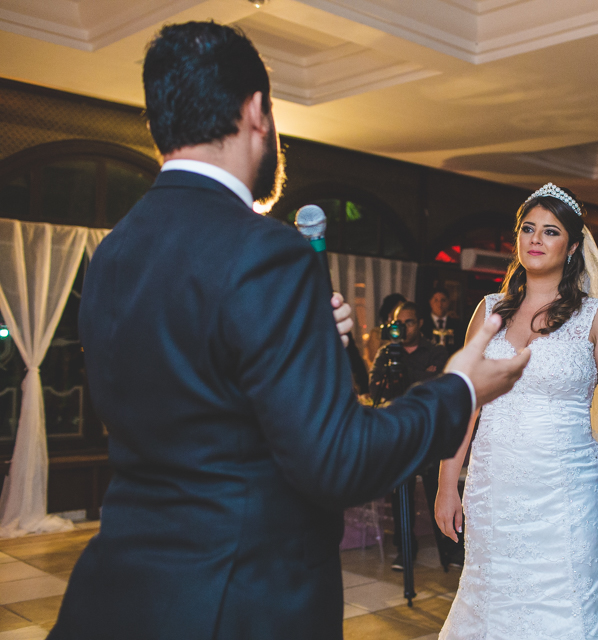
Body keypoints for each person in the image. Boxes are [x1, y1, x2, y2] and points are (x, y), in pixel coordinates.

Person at [48, 21, 529, 640]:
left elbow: (196, 396)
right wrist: (461, 387)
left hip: (119, 594)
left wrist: (312, 341)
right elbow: (338, 460)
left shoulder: (115, 251)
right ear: (257, 112)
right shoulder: (265, 252)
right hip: (240, 602)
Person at [435, 184, 598, 638]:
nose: (536, 239)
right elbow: (464, 406)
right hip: (493, 489)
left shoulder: (597, 318)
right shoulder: (488, 313)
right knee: (491, 598)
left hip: (570, 495)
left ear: (573, 246)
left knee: (568, 606)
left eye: (551, 231)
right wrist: (447, 484)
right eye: (528, 228)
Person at [369, 301, 464, 570]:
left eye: (409, 322)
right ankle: (405, 551)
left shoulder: (435, 351)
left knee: (438, 490)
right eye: (399, 323)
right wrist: (420, 379)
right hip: (398, 436)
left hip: (431, 435)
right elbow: (374, 387)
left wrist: (405, 380)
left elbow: (440, 387)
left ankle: (452, 549)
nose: (404, 327)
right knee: (401, 496)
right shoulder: (386, 353)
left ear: (420, 323)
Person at [422, 288, 464, 353]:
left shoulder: (457, 325)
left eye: (443, 300)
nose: (440, 304)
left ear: (448, 302)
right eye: (436, 300)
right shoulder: (423, 324)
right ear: (430, 302)